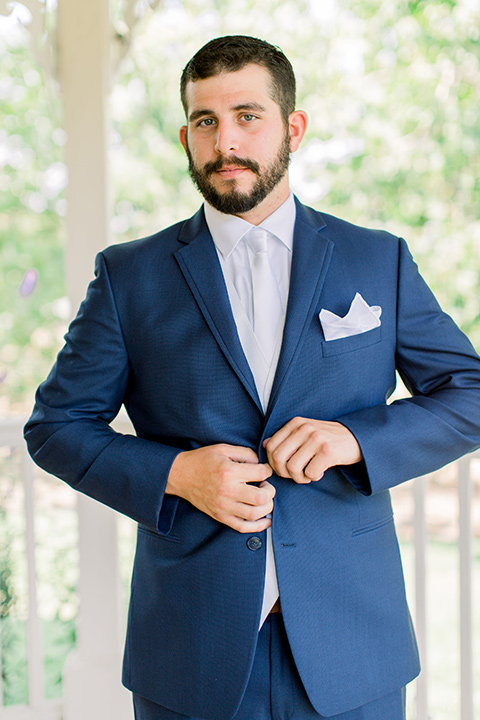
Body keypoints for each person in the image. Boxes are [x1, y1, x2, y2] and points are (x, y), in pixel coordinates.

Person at [24, 35, 480, 720]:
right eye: (205, 121)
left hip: (353, 646)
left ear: (292, 128)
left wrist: (352, 441)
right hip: (189, 650)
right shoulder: (129, 276)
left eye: (247, 115)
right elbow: (55, 429)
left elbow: (469, 395)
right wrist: (177, 475)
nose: (225, 140)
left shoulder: (376, 259)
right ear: (185, 136)